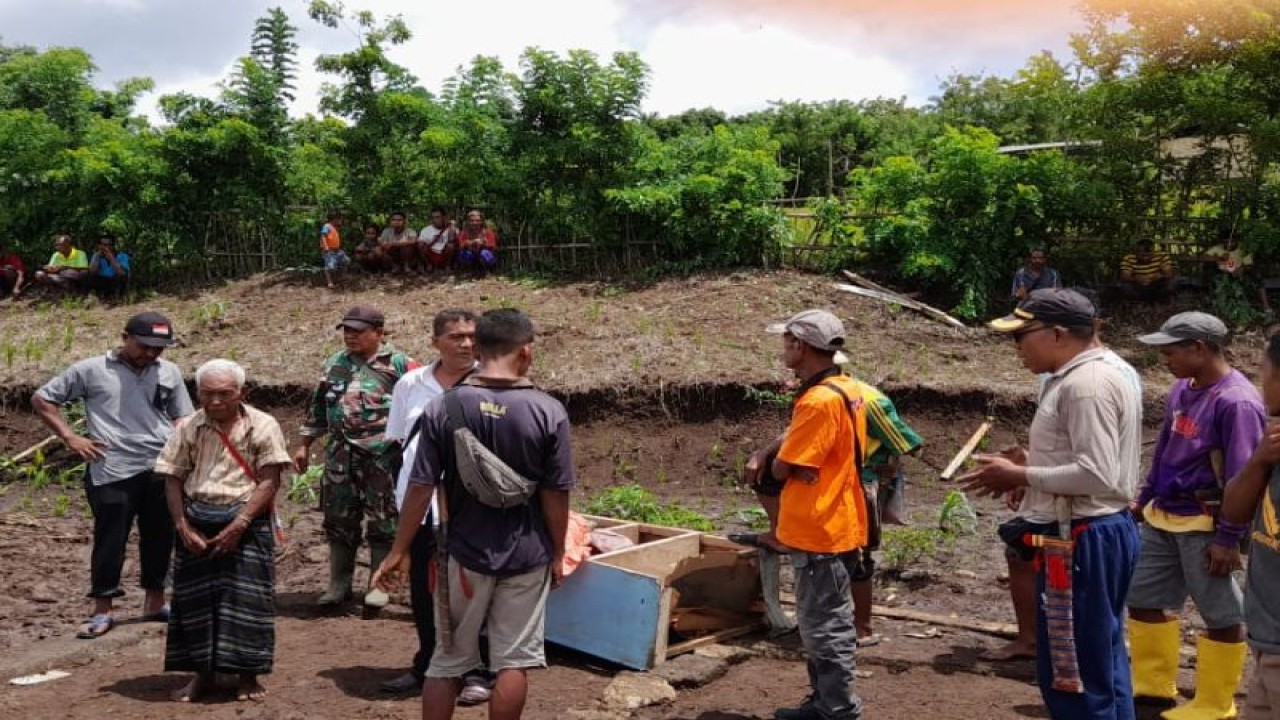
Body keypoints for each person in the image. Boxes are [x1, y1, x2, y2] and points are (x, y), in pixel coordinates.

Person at [373, 308, 574, 720]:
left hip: (461, 554)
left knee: (446, 661)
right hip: (527, 553)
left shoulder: (444, 408)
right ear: (528, 351)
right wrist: (558, 551)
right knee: (513, 663)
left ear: (478, 349)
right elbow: (556, 493)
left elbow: (420, 485)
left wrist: (399, 549)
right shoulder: (547, 410)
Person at [961, 288, 1142, 720]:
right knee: (1100, 658)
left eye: (1022, 336)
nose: (1017, 348)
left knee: (1072, 669)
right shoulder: (1097, 373)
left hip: (1083, 536)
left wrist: (1021, 475)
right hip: (1095, 530)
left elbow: (1097, 474)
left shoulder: (1086, 385)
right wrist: (1036, 465)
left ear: (1057, 334)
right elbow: (1089, 460)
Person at [1126, 312, 1263, 718]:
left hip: (1206, 523)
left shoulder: (1236, 402)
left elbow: (1244, 476)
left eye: (1170, 352)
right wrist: (1144, 497)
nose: (1164, 360)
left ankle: (1215, 703)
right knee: (1141, 597)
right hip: (1163, 515)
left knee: (1221, 615)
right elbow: (1165, 450)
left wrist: (1227, 538)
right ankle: (1153, 687)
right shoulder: (1182, 388)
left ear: (1199, 349)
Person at [31, 311, 193, 639]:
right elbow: (43, 398)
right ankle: (102, 610)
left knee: (161, 536)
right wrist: (70, 437)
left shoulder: (169, 371)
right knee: (111, 540)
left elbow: (183, 416)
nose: (150, 354)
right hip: (112, 468)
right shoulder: (91, 369)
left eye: (158, 348)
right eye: (144, 346)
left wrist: (184, 447)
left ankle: (155, 601)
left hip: (161, 467)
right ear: (125, 337)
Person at [743, 309, 869, 720]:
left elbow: (786, 467)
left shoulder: (817, 400)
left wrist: (774, 462)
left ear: (799, 345)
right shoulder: (846, 388)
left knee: (823, 626)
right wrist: (774, 450)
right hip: (841, 517)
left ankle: (835, 708)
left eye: (786, 342)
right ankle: (825, 701)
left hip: (819, 527)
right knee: (827, 619)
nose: (783, 348)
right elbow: (801, 438)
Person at [156, 359, 291, 704]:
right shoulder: (188, 426)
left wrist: (239, 525)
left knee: (246, 602)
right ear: (198, 393)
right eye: (207, 394)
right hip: (197, 518)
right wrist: (182, 526)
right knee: (194, 603)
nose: (215, 401)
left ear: (241, 393)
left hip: (247, 520)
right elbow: (172, 476)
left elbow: (269, 479)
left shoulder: (263, 425)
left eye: (224, 394)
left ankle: (248, 676)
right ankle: (201, 675)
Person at [379, 309, 479, 696]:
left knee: (473, 590)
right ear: (435, 341)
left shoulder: (492, 382)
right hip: (419, 505)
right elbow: (398, 444)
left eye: (472, 335)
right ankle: (427, 666)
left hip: (473, 507)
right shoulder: (410, 384)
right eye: (456, 336)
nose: (466, 343)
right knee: (425, 590)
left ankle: (475, 671)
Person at [294, 305, 418, 610]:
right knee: (338, 518)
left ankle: (380, 586)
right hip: (340, 455)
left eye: (358, 331)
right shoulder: (335, 363)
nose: (350, 337)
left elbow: (419, 410)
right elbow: (319, 407)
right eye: (347, 331)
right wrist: (304, 444)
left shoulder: (402, 366)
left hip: (382, 456)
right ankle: (339, 585)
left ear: (378, 333)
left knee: (384, 521)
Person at [1221, 333, 1280, 720]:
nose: (1260, 382)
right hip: (1267, 641)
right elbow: (1235, 512)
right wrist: (1258, 461)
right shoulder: (1273, 441)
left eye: (1263, 370)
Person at [86, 234, 131, 298]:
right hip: (102, 282)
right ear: (99, 245)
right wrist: (97, 257)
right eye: (104, 245)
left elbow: (122, 273)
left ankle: (118, 297)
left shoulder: (122, 256)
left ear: (113, 245)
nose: (107, 247)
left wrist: (111, 257)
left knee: (122, 277)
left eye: (110, 244)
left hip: (115, 282)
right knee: (86, 276)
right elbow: (92, 272)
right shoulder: (96, 256)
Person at [456, 210, 498, 276]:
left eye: (477, 220)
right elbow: (460, 245)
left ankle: (487, 270)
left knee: (484, 253)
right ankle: (469, 271)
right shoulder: (464, 233)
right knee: (464, 254)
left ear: (481, 221)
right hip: (471, 256)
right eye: (472, 220)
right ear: (468, 221)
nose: (474, 223)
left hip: (483, 256)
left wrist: (483, 244)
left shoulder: (488, 232)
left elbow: (493, 245)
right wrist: (471, 242)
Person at [419, 207, 458, 273]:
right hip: (432, 254)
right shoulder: (426, 230)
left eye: (438, 217)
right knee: (420, 244)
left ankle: (447, 266)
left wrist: (452, 228)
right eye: (433, 217)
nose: (435, 220)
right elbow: (420, 244)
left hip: (445, 254)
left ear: (444, 217)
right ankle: (429, 265)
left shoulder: (452, 229)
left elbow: (454, 241)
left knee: (451, 245)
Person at [320, 212, 349, 289]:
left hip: (337, 250)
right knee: (330, 266)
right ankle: (329, 282)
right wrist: (326, 247)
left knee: (345, 260)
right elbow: (323, 236)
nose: (341, 220)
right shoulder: (327, 226)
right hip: (329, 250)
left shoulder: (334, 227)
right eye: (339, 219)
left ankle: (342, 277)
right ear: (335, 219)